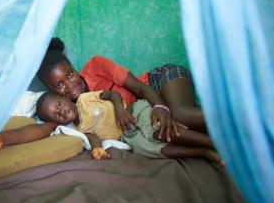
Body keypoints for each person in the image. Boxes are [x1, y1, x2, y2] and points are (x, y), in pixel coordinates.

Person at [37, 37, 208, 143]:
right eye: (59, 85)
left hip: (158, 82)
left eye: (70, 74)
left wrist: (161, 107)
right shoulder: (72, 110)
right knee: (173, 131)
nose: (70, 85)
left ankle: (235, 119)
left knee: (179, 115)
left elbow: (140, 87)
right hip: (145, 113)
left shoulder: (96, 65)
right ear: (50, 90)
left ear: (74, 68)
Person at [36, 90, 221, 164]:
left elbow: (112, 94)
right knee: (145, 148)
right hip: (127, 136)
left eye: (59, 105)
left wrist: (119, 109)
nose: (60, 113)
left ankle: (215, 143)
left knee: (157, 132)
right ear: (56, 122)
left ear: (66, 99)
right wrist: (98, 149)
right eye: (55, 115)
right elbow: (92, 138)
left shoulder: (85, 99)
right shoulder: (77, 130)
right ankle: (202, 152)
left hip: (135, 112)